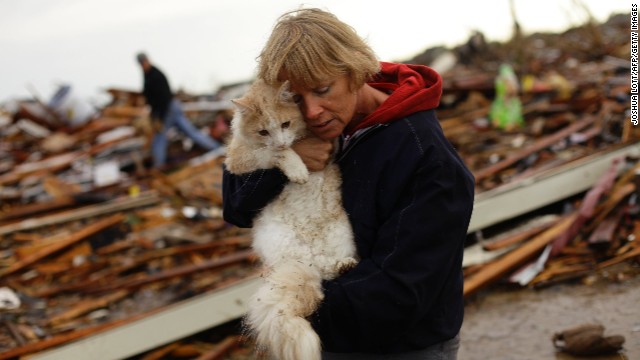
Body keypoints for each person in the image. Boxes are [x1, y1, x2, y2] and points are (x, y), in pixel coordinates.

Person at [222, 8, 475, 359]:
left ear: (355, 72)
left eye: (323, 89)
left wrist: (295, 308)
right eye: (296, 97)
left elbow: (402, 290)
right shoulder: (294, 129)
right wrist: (280, 166)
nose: (311, 112)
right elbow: (236, 205)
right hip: (330, 336)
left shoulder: (425, 157)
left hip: (405, 346)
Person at [136, 52, 221, 168]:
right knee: (190, 132)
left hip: (168, 109)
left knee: (159, 139)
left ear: (147, 60)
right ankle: (216, 148)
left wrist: (159, 117)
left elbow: (163, 98)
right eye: (141, 63)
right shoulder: (147, 75)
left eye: (144, 62)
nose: (143, 65)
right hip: (170, 108)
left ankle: (158, 167)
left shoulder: (156, 75)